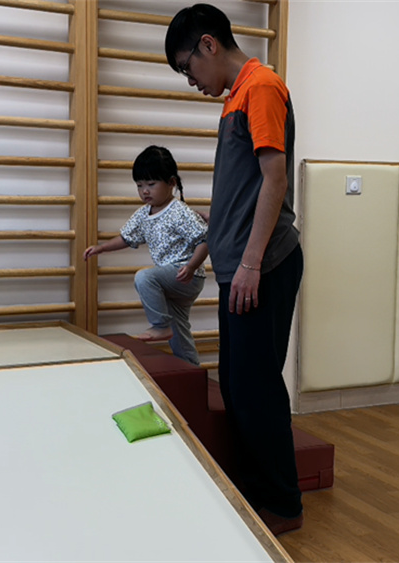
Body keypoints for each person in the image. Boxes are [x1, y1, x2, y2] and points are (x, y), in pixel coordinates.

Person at [165, 4, 304, 535]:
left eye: (188, 67)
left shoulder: (261, 86)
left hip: (262, 267)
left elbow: (275, 179)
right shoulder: (235, 98)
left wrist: (249, 263)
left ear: (208, 44)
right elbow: (243, 190)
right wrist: (214, 234)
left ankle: (283, 506)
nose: (190, 80)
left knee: (256, 387)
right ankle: (255, 494)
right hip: (241, 268)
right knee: (239, 386)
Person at [84, 145, 209, 366]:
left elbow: (205, 240)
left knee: (144, 277)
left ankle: (160, 326)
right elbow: (126, 237)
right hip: (171, 280)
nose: (145, 191)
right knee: (179, 331)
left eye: (151, 184)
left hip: (186, 275)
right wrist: (102, 248)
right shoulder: (143, 214)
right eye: (140, 186)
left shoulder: (179, 211)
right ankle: (192, 370)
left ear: (171, 183)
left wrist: (191, 267)